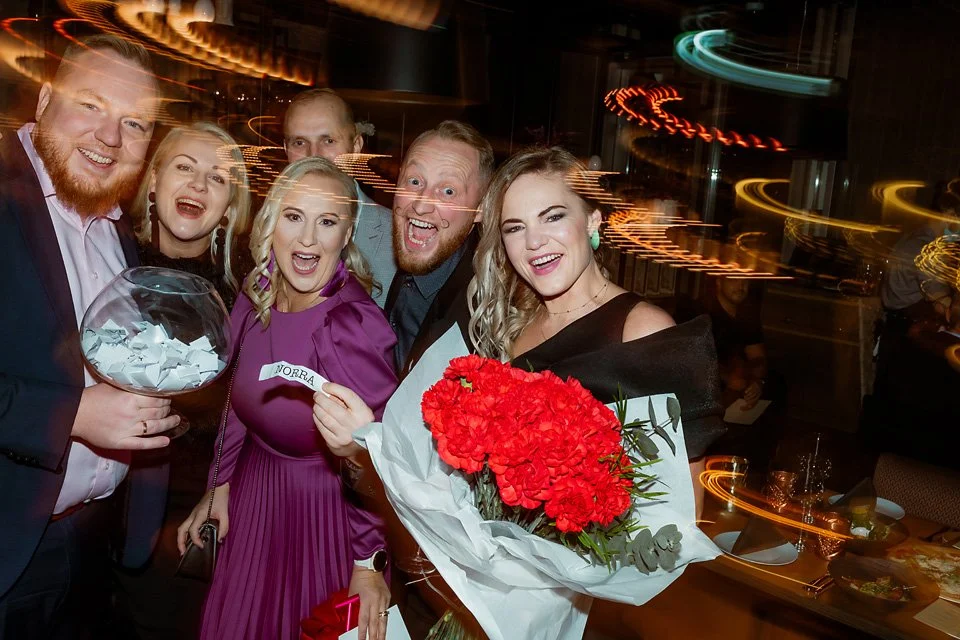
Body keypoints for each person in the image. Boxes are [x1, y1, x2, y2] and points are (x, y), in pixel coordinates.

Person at [0, 35, 179, 638]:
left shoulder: (114, 226)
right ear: (45, 97)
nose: (110, 137)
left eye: (134, 123)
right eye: (91, 104)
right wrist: (70, 414)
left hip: (95, 547)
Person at [177, 157, 396, 640]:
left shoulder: (351, 327)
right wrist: (219, 485)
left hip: (323, 517)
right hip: (256, 497)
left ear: (348, 233)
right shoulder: (257, 294)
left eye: (328, 222)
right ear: (272, 220)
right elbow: (238, 400)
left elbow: (379, 455)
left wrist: (368, 561)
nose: (308, 240)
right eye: (294, 216)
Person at [468, 147, 724, 493]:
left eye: (553, 217)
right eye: (515, 228)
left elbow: (686, 505)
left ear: (592, 220)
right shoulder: (515, 329)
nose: (533, 241)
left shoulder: (642, 330)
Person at [111, 122, 252, 639]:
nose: (197, 185)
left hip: (188, 521)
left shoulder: (249, 297)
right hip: (87, 511)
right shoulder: (107, 261)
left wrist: (226, 486)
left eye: (217, 179)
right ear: (153, 182)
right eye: (184, 168)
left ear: (229, 207)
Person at [383, 120, 494, 372]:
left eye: (447, 191)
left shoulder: (485, 317)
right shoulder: (405, 270)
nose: (421, 205)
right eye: (414, 182)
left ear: (480, 210)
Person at [284, 88, 396, 307]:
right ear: (285, 149)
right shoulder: (269, 227)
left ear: (355, 147)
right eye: (299, 142)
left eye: (328, 141)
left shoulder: (394, 239)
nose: (313, 155)